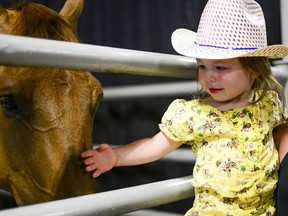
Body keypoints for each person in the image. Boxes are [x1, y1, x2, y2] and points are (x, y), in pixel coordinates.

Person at [82, 0, 288, 215]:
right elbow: (155, 146)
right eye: (202, 66)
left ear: (253, 69)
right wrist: (115, 157)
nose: (209, 76)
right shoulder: (194, 113)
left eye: (220, 67)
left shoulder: (267, 105)